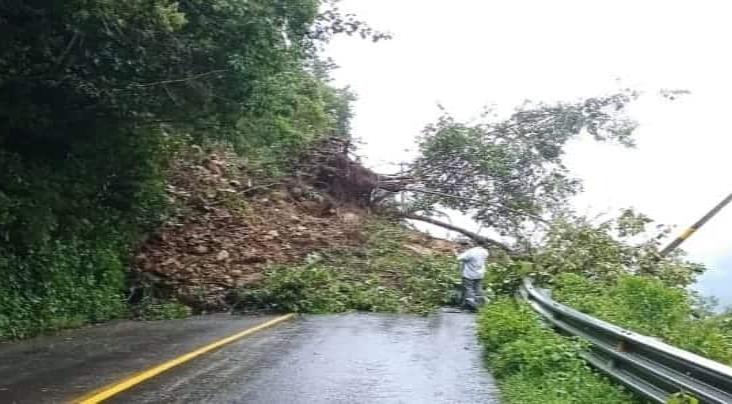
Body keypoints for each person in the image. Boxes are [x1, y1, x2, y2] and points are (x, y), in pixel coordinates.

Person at [456, 239, 489, 311]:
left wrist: (460, 253)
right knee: (478, 289)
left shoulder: (471, 251)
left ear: (475, 243)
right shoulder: (485, 252)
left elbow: (459, 258)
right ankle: (479, 304)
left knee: (468, 289)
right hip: (480, 273)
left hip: (469, 274)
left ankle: (472, 306)